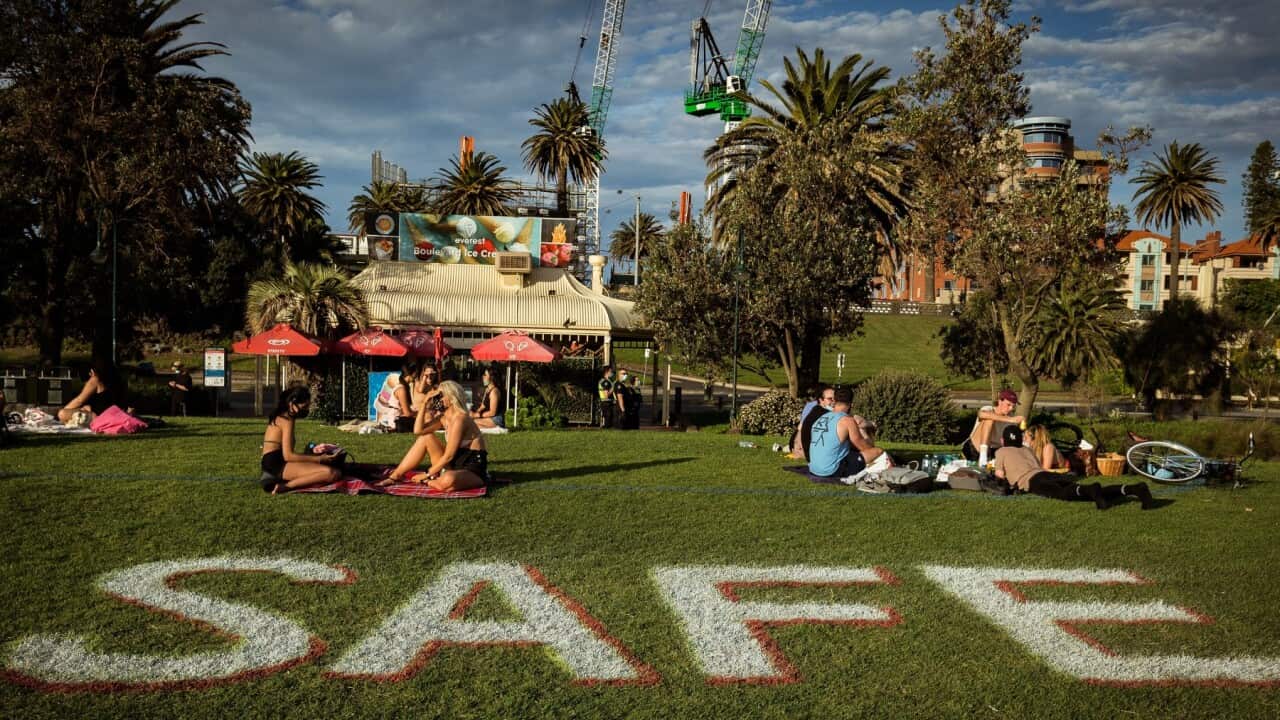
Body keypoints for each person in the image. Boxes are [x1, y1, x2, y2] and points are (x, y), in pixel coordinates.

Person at [994, 425, 1153, 510]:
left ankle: (1094, 490)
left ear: (1003, 440)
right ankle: (1134, 489)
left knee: (1063, 494)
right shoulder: (1026, 449)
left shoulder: (1001, 451)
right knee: (1087, 491)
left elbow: (1000, 476)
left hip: (1032, 481)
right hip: (1045, 474)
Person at [382, 380, 489, 491]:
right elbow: (418, 431)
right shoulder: (444, 418)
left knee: (448, 479)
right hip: (454, 465)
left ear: (451, 398)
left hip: (472, 468)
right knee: (426, 437)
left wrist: (426, 474)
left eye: (440, 396)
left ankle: (431, 481)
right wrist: (424, 404)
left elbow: (449, 456)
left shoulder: (460, 419)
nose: (437, 399)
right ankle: (395, 476)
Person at [259, 385, 342, 495]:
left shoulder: (282, 416)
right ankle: (285, 486)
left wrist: (312, 455)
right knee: (332, 473)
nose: (306, 410)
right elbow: (288, 455)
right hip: (276, 464)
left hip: (275, 461)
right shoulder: (286, 420)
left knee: (331, 470)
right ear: (292, 403)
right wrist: (320, 459)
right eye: (304, 407)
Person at [807, 388, 885, 479]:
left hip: (814, 468)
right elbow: (866, 448)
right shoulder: (847, 421)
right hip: (831, 471)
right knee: (878, 451)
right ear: (851, 404)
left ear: (834, 401)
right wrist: (864, 429)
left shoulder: (822, 418)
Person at [58, 358, 128, 425]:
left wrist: (65, 410)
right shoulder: (118, 379)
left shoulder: (95, 379)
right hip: (115, 414)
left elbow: (79, 400)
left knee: (62, 413)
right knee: (85, 408)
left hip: (100, 417)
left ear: (92, 371)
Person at [962, 389, 1025, 463]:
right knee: (989, 419)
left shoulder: (1012, 418)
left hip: (994, 450)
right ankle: (983, 456)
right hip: (975, 448)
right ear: (1000, 401)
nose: (1011, 409)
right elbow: (981, 414)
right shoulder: (989, 409)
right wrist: (1010, 420)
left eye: (1013, 406)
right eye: (1008, 405)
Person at [791, 385, 834, 459]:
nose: (834, 401)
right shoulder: (823, 414)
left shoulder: (815, 409)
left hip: (806, 450)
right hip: (809, 452)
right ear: (821, 400)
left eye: (835, 398)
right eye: (830, 399)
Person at [392, 361, 424, 433]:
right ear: (411, 373)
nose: (416, 376)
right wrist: (421, 412)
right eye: (416, 373)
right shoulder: (401, 389)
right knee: (424, 419)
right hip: (396, 421)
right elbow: (407, 413)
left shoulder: (403, 387)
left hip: (399, 418)